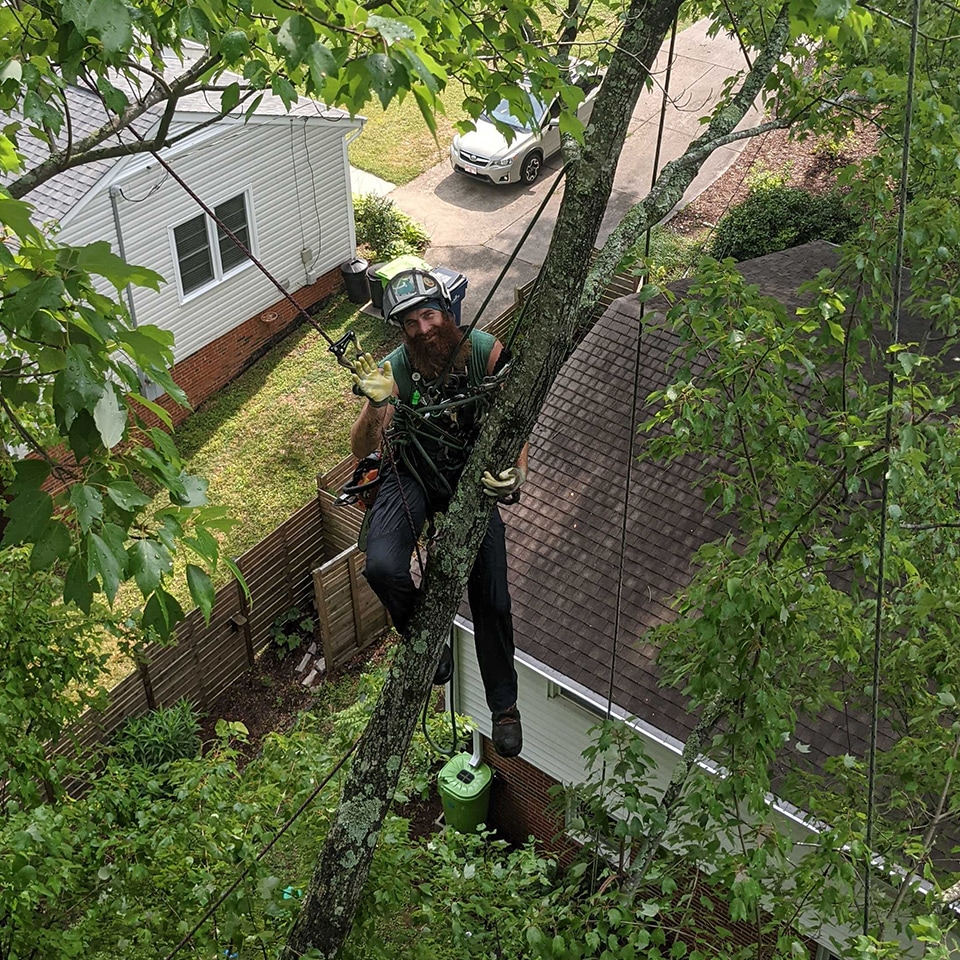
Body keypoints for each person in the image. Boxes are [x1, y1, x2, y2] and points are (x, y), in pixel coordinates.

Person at [350, 269, 528, 758]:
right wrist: (372, 405)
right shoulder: (395, 372)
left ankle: (504, 705)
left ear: (447, 313)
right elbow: (362, 447)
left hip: (468, 475)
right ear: (402, 331)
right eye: (410, 322)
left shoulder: (486, 353)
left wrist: (516, 470)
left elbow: (517, 416)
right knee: (381, 565)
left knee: (490, 593)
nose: (423, 328)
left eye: (428, 314)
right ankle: (426, 642)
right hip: (412, 471)